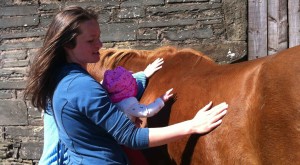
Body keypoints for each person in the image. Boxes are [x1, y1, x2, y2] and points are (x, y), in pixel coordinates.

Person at [24, 6, 228, 164]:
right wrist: (192, 125)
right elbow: (131, 137)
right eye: (91, 41)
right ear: (68, 44)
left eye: (99, 38)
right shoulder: (82, 86)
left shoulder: (60, 78)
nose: (100, 45)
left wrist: (141, 77)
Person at [102, 66, 173, 165]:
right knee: (138, 160)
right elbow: (147, 111)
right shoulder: (128, 103)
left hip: (113, 135)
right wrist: (161, 100)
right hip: (124, 141)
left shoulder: (111, 96)